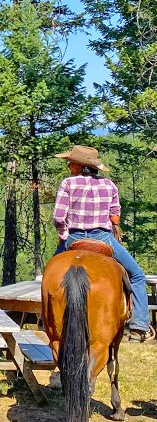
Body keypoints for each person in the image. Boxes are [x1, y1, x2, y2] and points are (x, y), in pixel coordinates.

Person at [52, 144, 154, 343]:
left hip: (74, 238)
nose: (68, 167)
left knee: (51, 274)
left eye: (70, 163)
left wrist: (64, 234)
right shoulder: (110, 185)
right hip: (103, 238)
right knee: (137, 276)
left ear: (79, 167)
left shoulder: (68, 184)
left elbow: (58, 217)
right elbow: (115, 216)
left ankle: (45, 315)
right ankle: (139, 325)